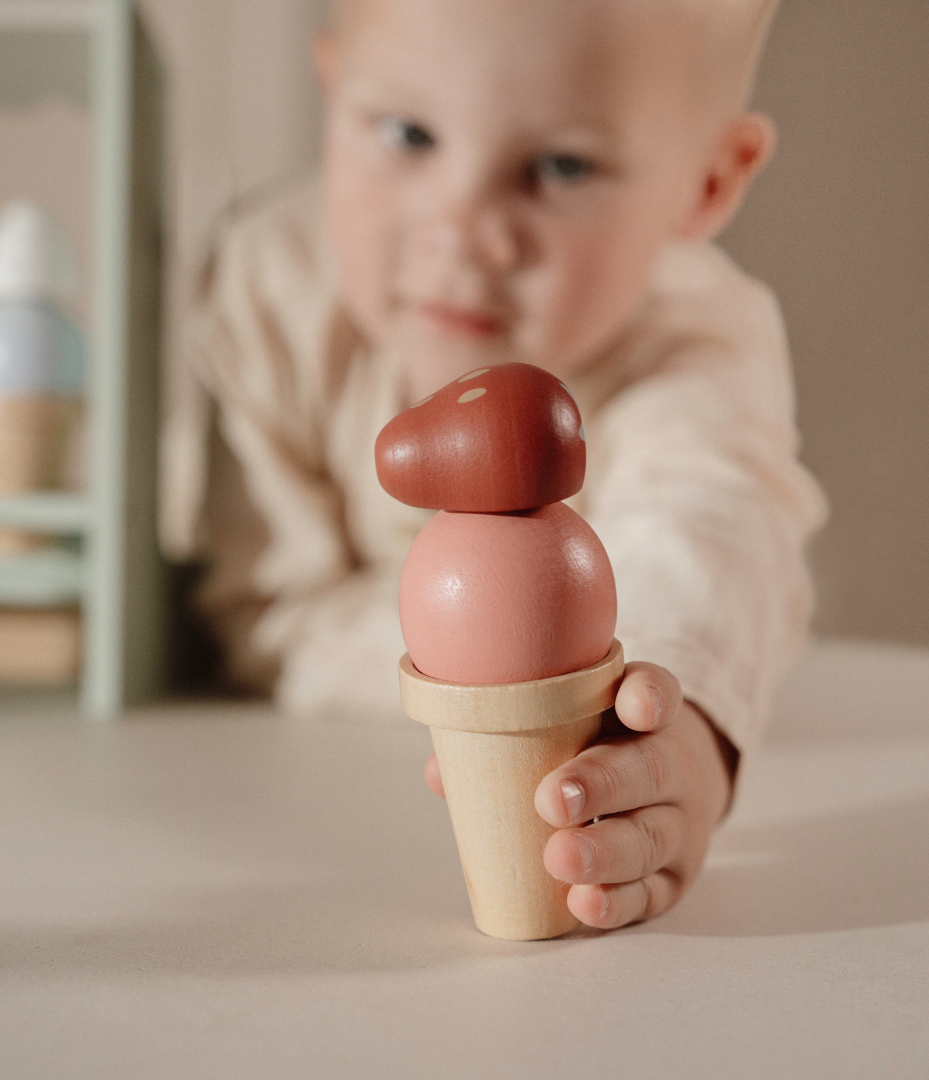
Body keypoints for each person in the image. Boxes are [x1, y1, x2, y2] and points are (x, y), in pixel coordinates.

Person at [163, 0, 827, 931]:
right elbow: (271, 613)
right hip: (300, 805)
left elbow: (710, 542)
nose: (465, 229)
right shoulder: (272, 291)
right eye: (409, 133)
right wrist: (488, 665)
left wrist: (681, 735)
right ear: (332, 91)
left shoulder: (696, 344)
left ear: (706, 183)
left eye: (561, 166)